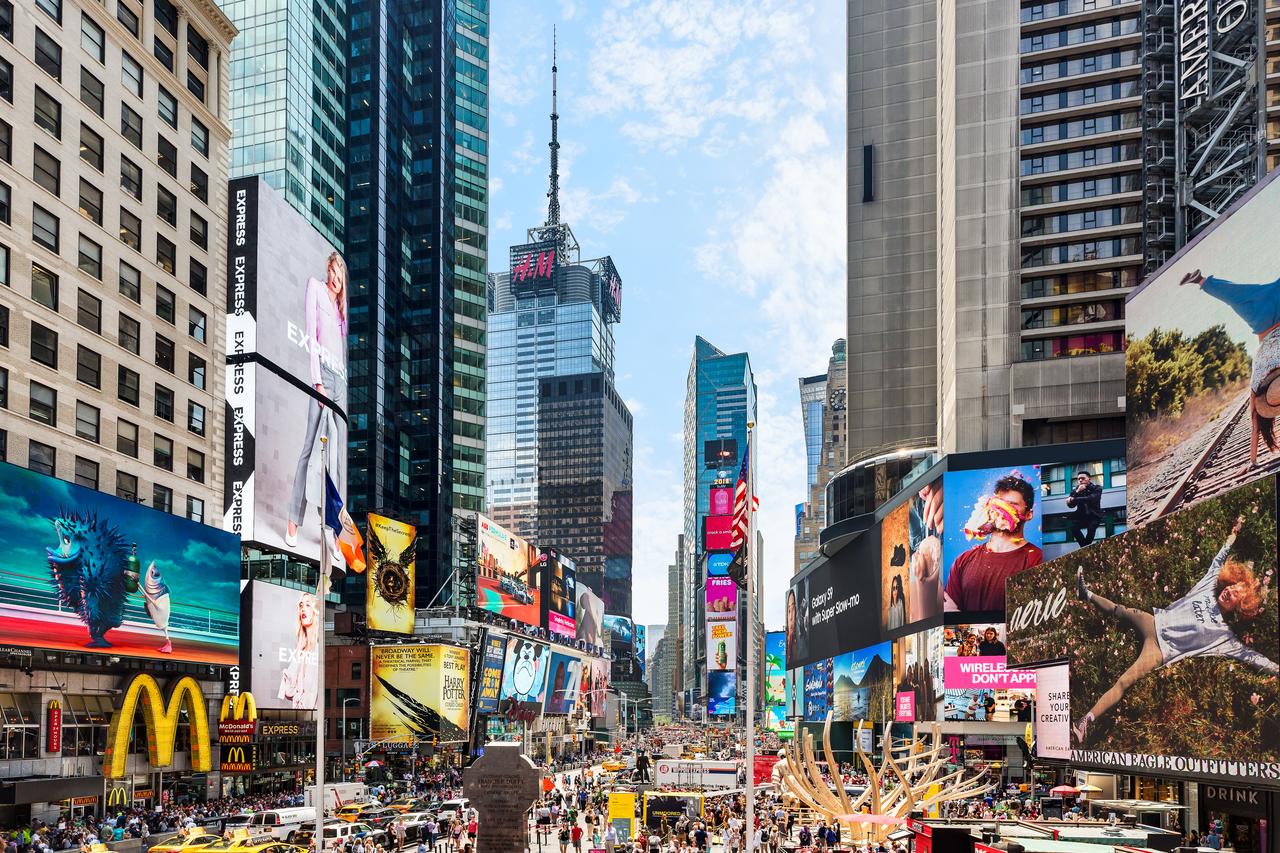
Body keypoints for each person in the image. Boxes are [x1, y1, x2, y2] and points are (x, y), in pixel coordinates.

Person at [1073, 515, 1278, 742]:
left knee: (1124, 681)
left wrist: (1276, 669)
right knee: (1121, 610)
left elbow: (1250, 656)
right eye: (1231, 587)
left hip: (1160, 650)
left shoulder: (1224, 637)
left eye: (1236, 595)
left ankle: (1085, 720)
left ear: (1239, 608)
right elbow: (1219, 558)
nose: (1229, 592)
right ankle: (1087, 594)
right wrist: (1234, 534)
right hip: (1154, 621)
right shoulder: (1208, 587)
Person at [284, 251, 349, 553]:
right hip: (323, 375)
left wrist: (336, 385)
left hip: (340, 382)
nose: (335, 278)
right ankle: (293, 521)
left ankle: (331, 531)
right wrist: (318, 383)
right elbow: (311, 337)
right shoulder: (315, 288)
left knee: (335, 462)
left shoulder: (340, 310)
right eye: (332, 271)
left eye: (339, 274)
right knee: (309, 448)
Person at [1181, 269, 1280, 466]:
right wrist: (1252, 461)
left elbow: (1255, 427)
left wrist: (1253, 462)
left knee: (1235, 294)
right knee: (1235, 296)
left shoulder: (1258, 376)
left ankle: (1200, 280)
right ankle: (1201, 280)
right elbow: (1255, 426)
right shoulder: (1257, 378)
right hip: (1260, 320)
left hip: (1268, 317)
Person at [944, 473, 1043, 612]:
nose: (1001, 510)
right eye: (999, 504)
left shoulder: (1037, 559)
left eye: (1012, 505)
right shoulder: (963, 560)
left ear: (1028, 514)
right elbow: (950, 612)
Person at [1066, 471, 1104, 548]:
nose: (1080, 480)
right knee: (1074, 528)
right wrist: (1077, 492)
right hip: (1082, 516)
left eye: (1083, 478)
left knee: (1091, 529)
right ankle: (1085, 547)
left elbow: (1091, 499)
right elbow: (1071, 505)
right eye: (1078, 479)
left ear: (1089, 479)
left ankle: (1085, 548)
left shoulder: (1097, 488)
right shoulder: (1075, 491)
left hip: (1094, 515)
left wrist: (1074, 498)